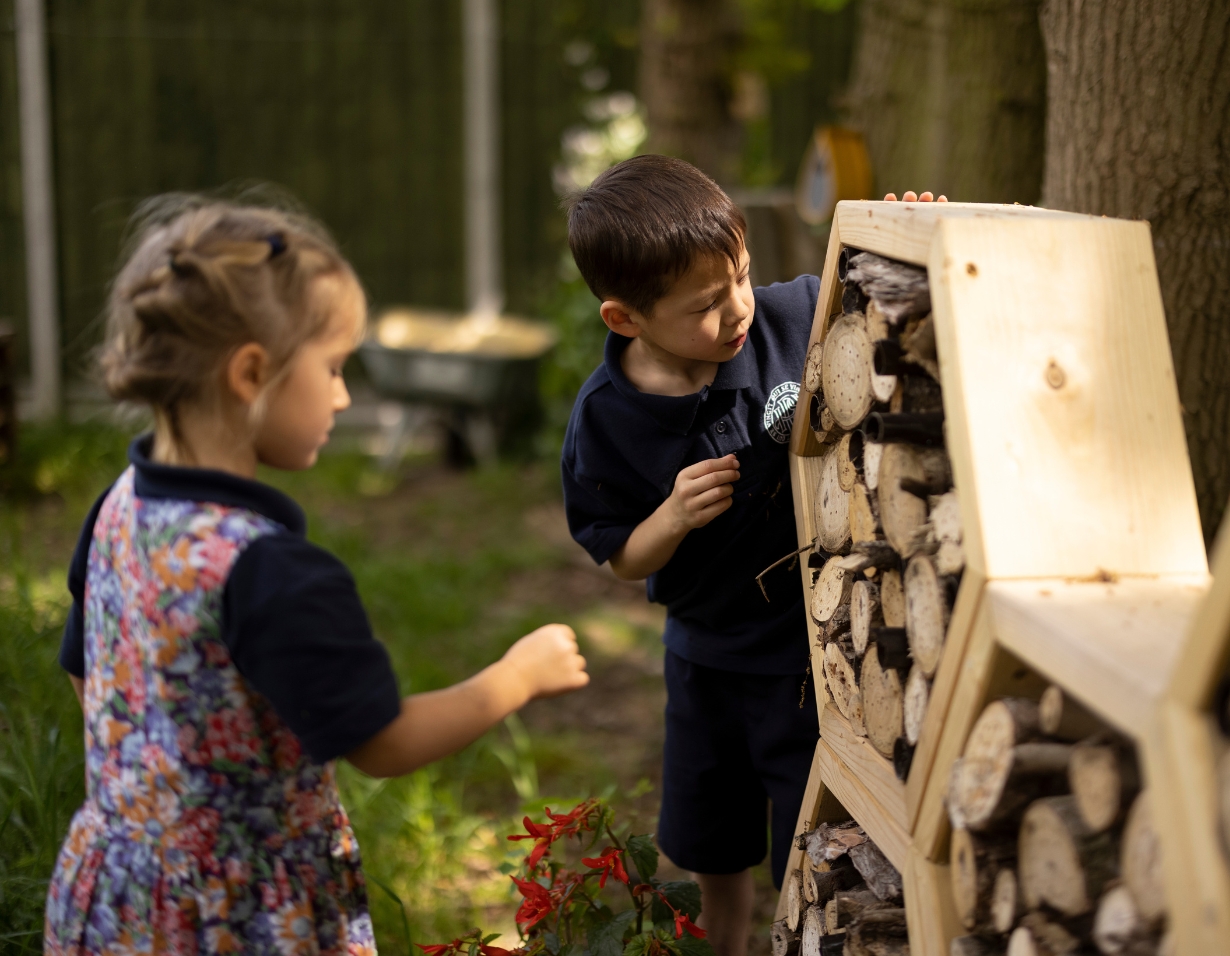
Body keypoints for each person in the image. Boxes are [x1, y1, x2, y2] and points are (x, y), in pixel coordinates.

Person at [45, 198, 590, 956]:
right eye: (332, 368)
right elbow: (382, 743)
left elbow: (90, 677)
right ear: (251, 373)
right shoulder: (271, 571)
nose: (342, 394)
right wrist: (516, 677)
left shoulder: (119, 505)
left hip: (117, 894)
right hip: (241, 920)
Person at [560, 156, 943, 956]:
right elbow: (621, 558)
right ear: (625, 318)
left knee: (812, 825)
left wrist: (913, 232)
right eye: (705, 304)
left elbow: (883, 301)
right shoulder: (607, 422)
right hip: (706, 661)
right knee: (710, 835)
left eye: (740, 275)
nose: (737, 308)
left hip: (818, 654)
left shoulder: (790, 315)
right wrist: (669, 518)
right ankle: (725, 941)